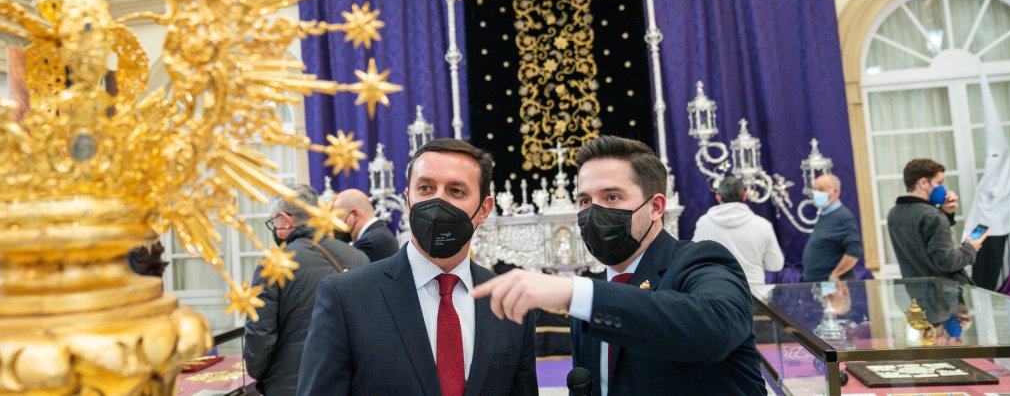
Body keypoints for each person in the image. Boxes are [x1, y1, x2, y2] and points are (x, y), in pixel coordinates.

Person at [470, 136, 764, 395]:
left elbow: (713, 329)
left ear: (656, 206)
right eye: (585, 200)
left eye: (612, 197)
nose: (594, 211)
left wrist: (574, 293)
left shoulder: (700, 260)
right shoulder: (594, 295)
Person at [297, 139, 538, 396]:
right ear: (407, 199)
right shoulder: (346, 297)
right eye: (425, 188)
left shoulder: (509, 304)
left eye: (456, 191)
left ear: (484, 210)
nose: (438, 202)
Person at [243, 184, 368, 396]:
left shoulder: (275, 264)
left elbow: (261, 332)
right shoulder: (358, 257)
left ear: (285, 219)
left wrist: (258, 371)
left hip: (294, 383)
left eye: (274, 221)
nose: (274, 227)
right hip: (350, 380)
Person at [887, 158, 986, 284]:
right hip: (944, 294)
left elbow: (923, 247)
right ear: (923, 183)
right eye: (939, 183)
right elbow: (948, 262)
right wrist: (970, 248)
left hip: (916, 291)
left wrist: (945, 212)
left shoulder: (894, 213)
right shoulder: (933, 215)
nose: (942, 188)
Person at [692, 176, 784, 287]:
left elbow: (694, 260)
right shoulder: (763, 225)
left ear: (718, 197)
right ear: (745, 196)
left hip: (715, 293)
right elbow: (776, 265)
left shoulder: (703, 223)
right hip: (754, 296)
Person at [802, 172, 863, 282]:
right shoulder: (825, 214)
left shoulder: (842, 216)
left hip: (832, 284)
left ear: (835, 191)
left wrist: (835, 275)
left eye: (821, 189)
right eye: (814, 190)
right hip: (819, 283)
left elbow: (854, 251)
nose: (816, 194)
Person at [333, 188, 400, 262]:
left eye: (339, 218)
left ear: (355, 214)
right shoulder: (380, 233)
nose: (337, 225)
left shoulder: (368, 243)